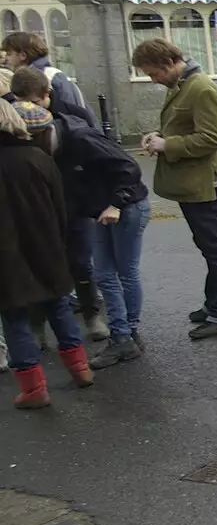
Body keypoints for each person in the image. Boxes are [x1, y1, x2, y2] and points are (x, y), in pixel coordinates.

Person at [11, 70, 149, 369]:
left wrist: (115, 203)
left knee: (123, 273)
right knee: (105, 275)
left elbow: (128, 167)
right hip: (98, 210)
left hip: (125, 206)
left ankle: (127, 335)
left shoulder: (79, 137)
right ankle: (123, 335)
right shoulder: (52, 142)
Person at [133, 38, 217, 340]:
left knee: (215, 246)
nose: (153, 81)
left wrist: (167, 144)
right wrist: (158, 135)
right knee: (209, 245)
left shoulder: (201, 87)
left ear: (169, 63)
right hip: (190, 181)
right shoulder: (182, 85)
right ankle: (215, 304)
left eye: (153, 73)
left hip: (200, 182)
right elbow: (185, 127)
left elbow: (212, 138)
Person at [0, 99, 94, 407]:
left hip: (6, 255)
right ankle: (81, 369)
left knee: (14, 317)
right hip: (47, 246)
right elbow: (60, 208)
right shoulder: (39, 158)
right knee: (59, 306)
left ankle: (34, 388)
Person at [2, 31, 90, 122]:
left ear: (23, 55)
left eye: (9, 54)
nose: (6, 58)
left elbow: (74, 114)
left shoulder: (49, 76)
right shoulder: (41, 75)